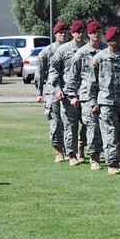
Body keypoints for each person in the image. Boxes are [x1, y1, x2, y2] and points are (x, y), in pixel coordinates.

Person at [87, 26, 120, 175]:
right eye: (112, 39)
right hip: (106, 102)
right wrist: (93, 102)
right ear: (108, 40)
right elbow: (92, 82)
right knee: (110, 131)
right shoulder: (99, 58)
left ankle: (118, 157)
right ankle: (112, 163)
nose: (115, 41)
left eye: (118, 38)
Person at [68, 21, 107, 170]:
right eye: (93, 32)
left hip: (104, 96)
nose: (96, 34)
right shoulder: (81, 53)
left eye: (99, 31)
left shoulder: (107, 51)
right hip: (86, 96)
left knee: (102, 127)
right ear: (88, 34)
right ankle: (94, 158)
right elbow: (72, 76)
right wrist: (73, 95)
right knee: (91, 125)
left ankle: (83, 144)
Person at [52, 20, 87, 165]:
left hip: (86, 94)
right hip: (67, 94)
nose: (80, 34)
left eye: (82, 31)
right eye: (77, 31)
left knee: (88, 123)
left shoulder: (89, 49)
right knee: (70, 125)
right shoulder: (63, 50)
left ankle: (81, 148)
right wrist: (57, 89)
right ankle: (71, 154)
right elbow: (54, 71)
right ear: (72, 33)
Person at [37, 22, 68, 162]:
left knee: (69, 122)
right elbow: (40, 73)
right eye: (60, 32)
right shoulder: (47, 51)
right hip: (51, 92)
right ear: (55, 34)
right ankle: (58, 150)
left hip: (69, 90)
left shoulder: (72, 49)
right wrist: (39, 92)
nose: (63, 34)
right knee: (55, 122)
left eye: (65, 32)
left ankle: (70, 149)